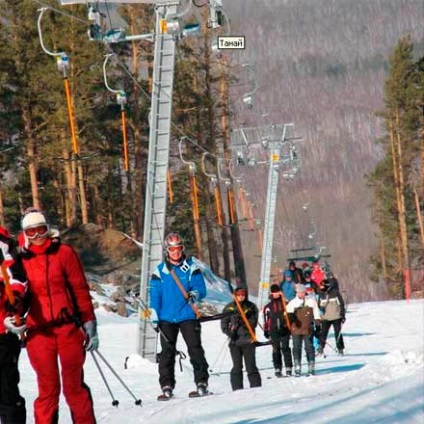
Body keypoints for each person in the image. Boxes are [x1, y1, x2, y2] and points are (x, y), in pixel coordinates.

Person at [6, 209, 98, 424]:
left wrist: (89, 323)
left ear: (48, 230)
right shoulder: (20, 260)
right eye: (31, 232)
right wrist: (14, 315)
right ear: (24, 234)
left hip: (68, 328)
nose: (37, 237)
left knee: (73, 386)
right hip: (39, 332)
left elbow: (80, 289)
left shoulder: (64, 253)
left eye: (41, 230)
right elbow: (17, 292)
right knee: (48, 389)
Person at [149, 232, 209, 398]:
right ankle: (167, 386)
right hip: (166, 318)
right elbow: (155, 294)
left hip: (187, 315)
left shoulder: (191, 267)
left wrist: (194, 294)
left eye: (179, 248)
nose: (176, 252)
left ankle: (201, 382)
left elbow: (201, 288)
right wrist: (154, 313)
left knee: (195, 349)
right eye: (172, 249)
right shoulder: (160, 270)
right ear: (166, 251)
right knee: (167, 353)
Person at [0, 227, 27, 424]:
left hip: (3, 333)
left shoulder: (4, 246)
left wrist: (15, 299)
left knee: (6, 392)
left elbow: (18, 279)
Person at [221, 287, 262, 391]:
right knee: (237, 366)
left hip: (248, 341)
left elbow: (253, 323)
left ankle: (256, 388)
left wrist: (244, 319)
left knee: (251, 366)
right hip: (235, 342)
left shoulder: (251, 306)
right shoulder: (229, 307)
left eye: (243, 294)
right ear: (235, 295)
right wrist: (230, 333)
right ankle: (237, 388)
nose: (241, 296)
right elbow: (224, 324)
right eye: (238, 294)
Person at [286, 284, 321, 376]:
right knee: (296, 347)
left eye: (303, 292)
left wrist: (317, 325)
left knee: (309, 347)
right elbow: (287, 316)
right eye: (299, 293)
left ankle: (311, 365)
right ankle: (297, 366)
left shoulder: (311, 301)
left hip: (308, 328)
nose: (301, 294)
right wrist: (291, 319)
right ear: (297, 293)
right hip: (296, 329)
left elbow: (316, 313)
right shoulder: (292, 303)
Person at [263, 283, 293, 377]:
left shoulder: (286, 303)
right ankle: (277, 368)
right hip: (273, 330)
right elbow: (266, 319)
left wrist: (289, 325)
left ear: (280, 292)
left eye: (277, 292)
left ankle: (288, 367)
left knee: (285, 348)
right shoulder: (268, 306)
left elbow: (291, 316)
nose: (276, 294)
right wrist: (266, 330)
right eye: (274, 292)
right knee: (276, 350)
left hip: (284, 329)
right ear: (271, 293)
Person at [318, 277, 346, 355]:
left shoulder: (335, 293)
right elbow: (318, 306)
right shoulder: (320, 294)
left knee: (338, 333)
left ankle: (340, 348)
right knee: (323, 333)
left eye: (322, 286)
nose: (320, 288)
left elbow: (341, 304)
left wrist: (342, 315)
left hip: (336, 317)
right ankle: (321, 347)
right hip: (325, 318)